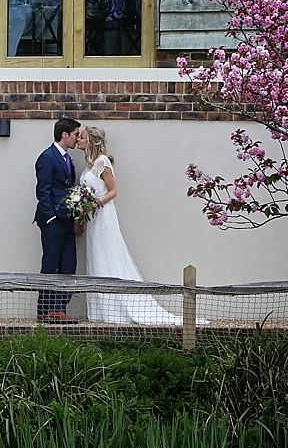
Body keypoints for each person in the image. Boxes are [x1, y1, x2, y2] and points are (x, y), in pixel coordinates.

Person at [77, 126, 200, 325]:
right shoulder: (89, 164)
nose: (78, 141)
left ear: (90, 140)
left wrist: (94, 204)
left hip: (102, 214)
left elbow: (113, 191)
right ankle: (100, 309)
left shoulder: (102, 162)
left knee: (107, 254)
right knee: (96, 255)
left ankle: (116, 307)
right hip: (91, 218)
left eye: (81, 137)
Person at [33, 117, 82, 324]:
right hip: (52, 220)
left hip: (68, 220)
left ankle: (59, 308)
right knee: (51, 263)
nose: (77, 139)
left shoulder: (68, 159)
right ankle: (44, 310)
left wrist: (75, 216)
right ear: (65, 134)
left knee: (69, 264)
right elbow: (42, 190)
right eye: (76, 134)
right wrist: (51, 216)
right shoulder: (47, 157)